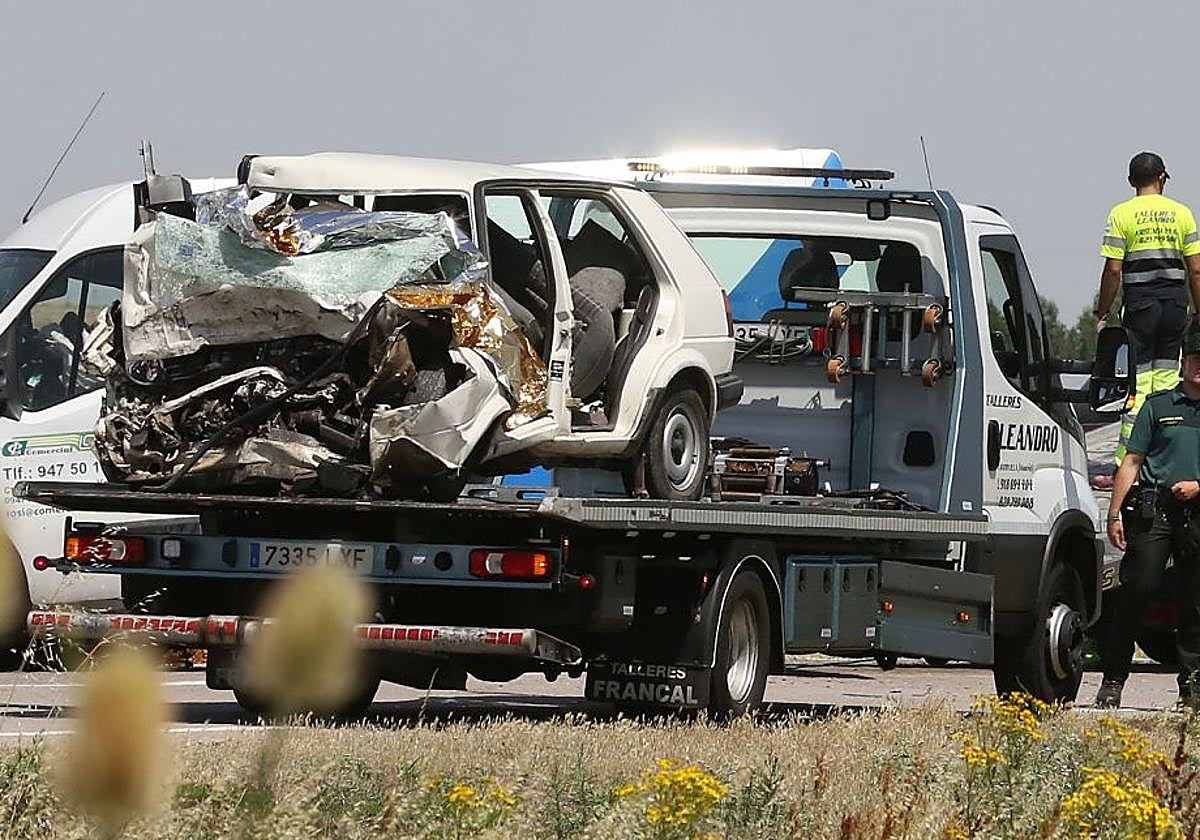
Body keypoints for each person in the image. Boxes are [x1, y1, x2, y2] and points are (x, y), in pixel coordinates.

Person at [1095, 322, 1200, 708]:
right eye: (1194, 359)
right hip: (1157, 512)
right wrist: (1114, 513)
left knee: (1194, 602)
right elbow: (1132, 460)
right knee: (1135, 591)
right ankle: (1113, 680)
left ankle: (1192, 689)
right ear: (1182, 362)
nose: (1199, 366)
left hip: (1198, 511)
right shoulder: (1158, 406)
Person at [1097, 152, 1200, 470]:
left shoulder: (1121, 214)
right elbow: (1195, 270)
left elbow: (1113, 270)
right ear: (1162, 177)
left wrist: (1103, 310)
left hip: (1140, 307)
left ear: (1131, 181)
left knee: (1138, 385)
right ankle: (1164, 455)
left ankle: (1127, 461)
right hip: (1174, 306)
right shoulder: (1182, 213)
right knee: (1168, 382)